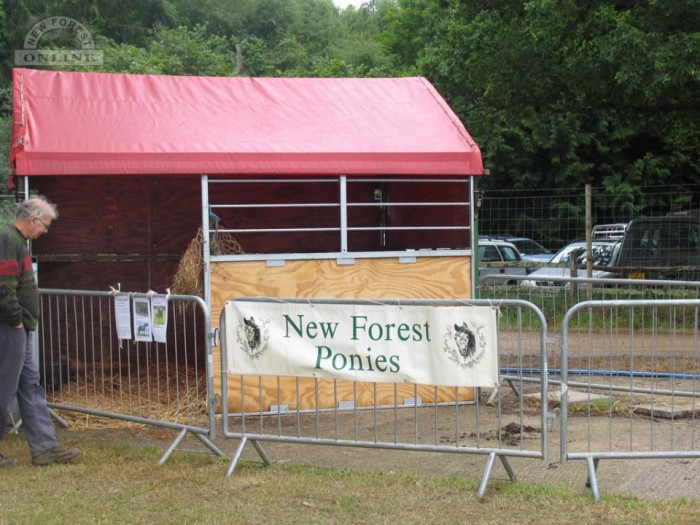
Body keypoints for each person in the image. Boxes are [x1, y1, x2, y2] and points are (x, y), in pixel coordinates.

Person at [0, 196, 80, 468]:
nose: (45, 231)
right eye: (45, 225)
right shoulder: (7, 239)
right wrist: (16, 320)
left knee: (30, 386)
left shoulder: (14, 240)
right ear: (33, 219)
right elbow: (3, 286)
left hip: (19, 327)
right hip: (10, 327)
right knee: (4, 389)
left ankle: (45, 448)